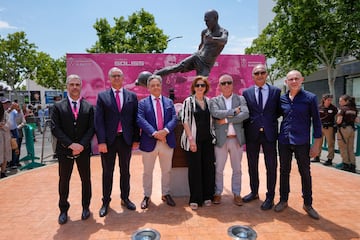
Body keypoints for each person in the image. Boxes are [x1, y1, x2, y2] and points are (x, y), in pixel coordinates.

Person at [274, 70, 322, 220]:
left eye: (296, 78)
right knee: (283, 172)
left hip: (302, 142)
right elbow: (273, 116)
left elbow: (317, 122)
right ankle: (283, 200)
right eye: (290, 79)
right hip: (284, 141)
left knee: (305, 173)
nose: (293, 81)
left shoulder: (310, 98)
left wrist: (316, 145)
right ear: (286, 82)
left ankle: (308, 204)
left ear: (302, 80)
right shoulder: (282, 100)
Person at [95, 67, 140, 217]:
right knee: (107, 172)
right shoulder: (102, 97)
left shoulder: (132, 96)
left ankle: (125, 198)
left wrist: (135, 139)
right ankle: (106, 201)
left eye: (118, 76)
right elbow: (99, 121)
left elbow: (135, 120)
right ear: (109, 78)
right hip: (108, 141)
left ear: (123, 78)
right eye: (113, 76)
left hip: (125, 140)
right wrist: (101, 141)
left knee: (125, 171)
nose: (116, 78)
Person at [51, 74, 95, 224]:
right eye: (72, 84)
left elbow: (91, 129)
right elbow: (55, 128)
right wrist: (71, 144)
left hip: (83, 150)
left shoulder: (89, 107)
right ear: (67, 86)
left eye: (77, 84)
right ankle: (63, 210)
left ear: (81, 87)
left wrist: (81, 145)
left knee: (86, 180)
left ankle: (86, 207)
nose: (75, 87)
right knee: (64, 180)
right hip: (65, 150)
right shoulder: (58, 107)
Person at [242, 64, 281, 210]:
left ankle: (270, 196)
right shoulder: (246, 93)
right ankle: (254, 192)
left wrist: (266, 123)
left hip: (269, 135)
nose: (259, 75)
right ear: (253, 76)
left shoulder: (276, 92)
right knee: (252, 165)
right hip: (252, 134)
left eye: (262, 72)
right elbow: (247, 113)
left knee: (271, 166)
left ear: (266, 74)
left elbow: (277, 111)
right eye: (256, 73)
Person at [137, 74, 177, 209]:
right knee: (148, 172)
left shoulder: (169, 102)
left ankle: (166, 193)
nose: (155, 87)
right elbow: (140, 120)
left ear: (161, 86)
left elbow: (174, 119)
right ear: (148, 88)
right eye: (152, 85)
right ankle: (147, 195)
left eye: (157, 85)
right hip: (149, 142)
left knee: (166, 171)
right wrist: (155, 133)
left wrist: (165, 131)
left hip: (167, 141)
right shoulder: (142, 103)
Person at [209, 74, 249, 206]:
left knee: (237, 169)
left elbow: (245, 114)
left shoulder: (241, 99)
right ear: (219, 86)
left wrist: (226, 119)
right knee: (219, 169)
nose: (226, 85)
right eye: (223, 83)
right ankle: (218, 193)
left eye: (229, 82)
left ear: (233, 84)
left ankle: (237, 193)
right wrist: (234, 111)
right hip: (221, 140)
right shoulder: (214, 101)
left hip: (236, 139)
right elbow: (216, 113)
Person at [154, 9, 228, 77]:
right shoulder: (205, 32)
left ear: (215, 19)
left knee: (201, 83)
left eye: (207, 21)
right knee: (177, 67)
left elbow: (224, 41)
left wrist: (212, 39)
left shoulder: (222, 32)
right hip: (197, 57)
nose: (206, 23)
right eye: (205, 21)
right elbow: (201, 45)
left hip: (206, 64)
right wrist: (197, 54)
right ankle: (154, 76)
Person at [180, 76, 216, 210]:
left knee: (208, 168)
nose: (200, 88)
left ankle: (207, 196)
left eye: (202, 85)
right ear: (193, 87)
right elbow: (184, 120)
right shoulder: (188, 102)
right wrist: (191, 139)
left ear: (206, 87)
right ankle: (195, 198)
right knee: (195, 170)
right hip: (193, 141)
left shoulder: (209, 101)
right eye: (197, 85)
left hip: (207, 140)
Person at [311, 94, 338, 166]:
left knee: (330, 143)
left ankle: (330, 159)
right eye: (328, 100)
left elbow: (336, 118)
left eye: (330, 100)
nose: (329, 101)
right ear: (324, 100)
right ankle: (317, 157)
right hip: (320, 126)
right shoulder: (319, 107)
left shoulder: (334, 108)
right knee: (318, 142)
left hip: (329, 127)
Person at [336, 94, 358, 173]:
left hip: (343, 129)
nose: (339, 102)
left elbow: (339, 121)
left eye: (341, 101)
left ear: (346, 101)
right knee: (350, 148)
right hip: (352, 129)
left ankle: (346, 164)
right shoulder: (354, 109)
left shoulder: (342, 109)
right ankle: (352, 165)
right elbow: (357, 120)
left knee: (343, 147)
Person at [0, 98, 11, 178]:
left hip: (5, 137)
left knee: (5, 155)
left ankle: (3, 172)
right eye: (4, 103)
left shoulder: (7, 114)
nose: (6, 105)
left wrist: (3, 125)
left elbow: (9, 125)